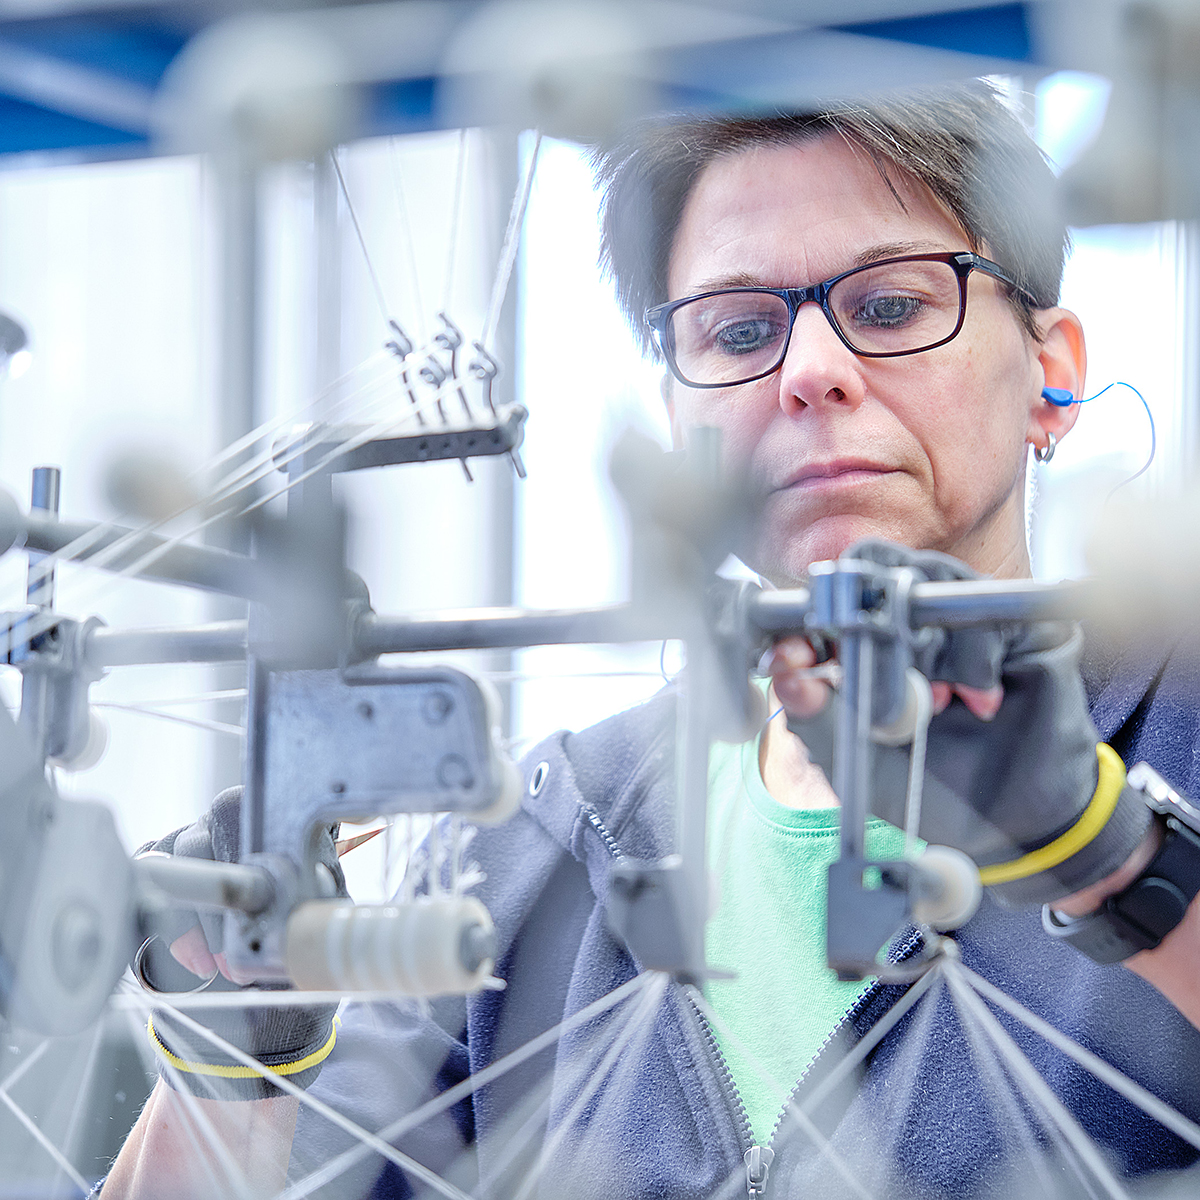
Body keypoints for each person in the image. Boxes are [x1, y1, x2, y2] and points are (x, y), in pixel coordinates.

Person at [101, 81, 1200, 1200]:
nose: (810, 371)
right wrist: (233, 1029)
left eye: (890, 307)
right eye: (737, 330)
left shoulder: (1184, 727)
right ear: (681, 426)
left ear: (1052, 375)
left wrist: (1110, 854)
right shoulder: (531, 845)